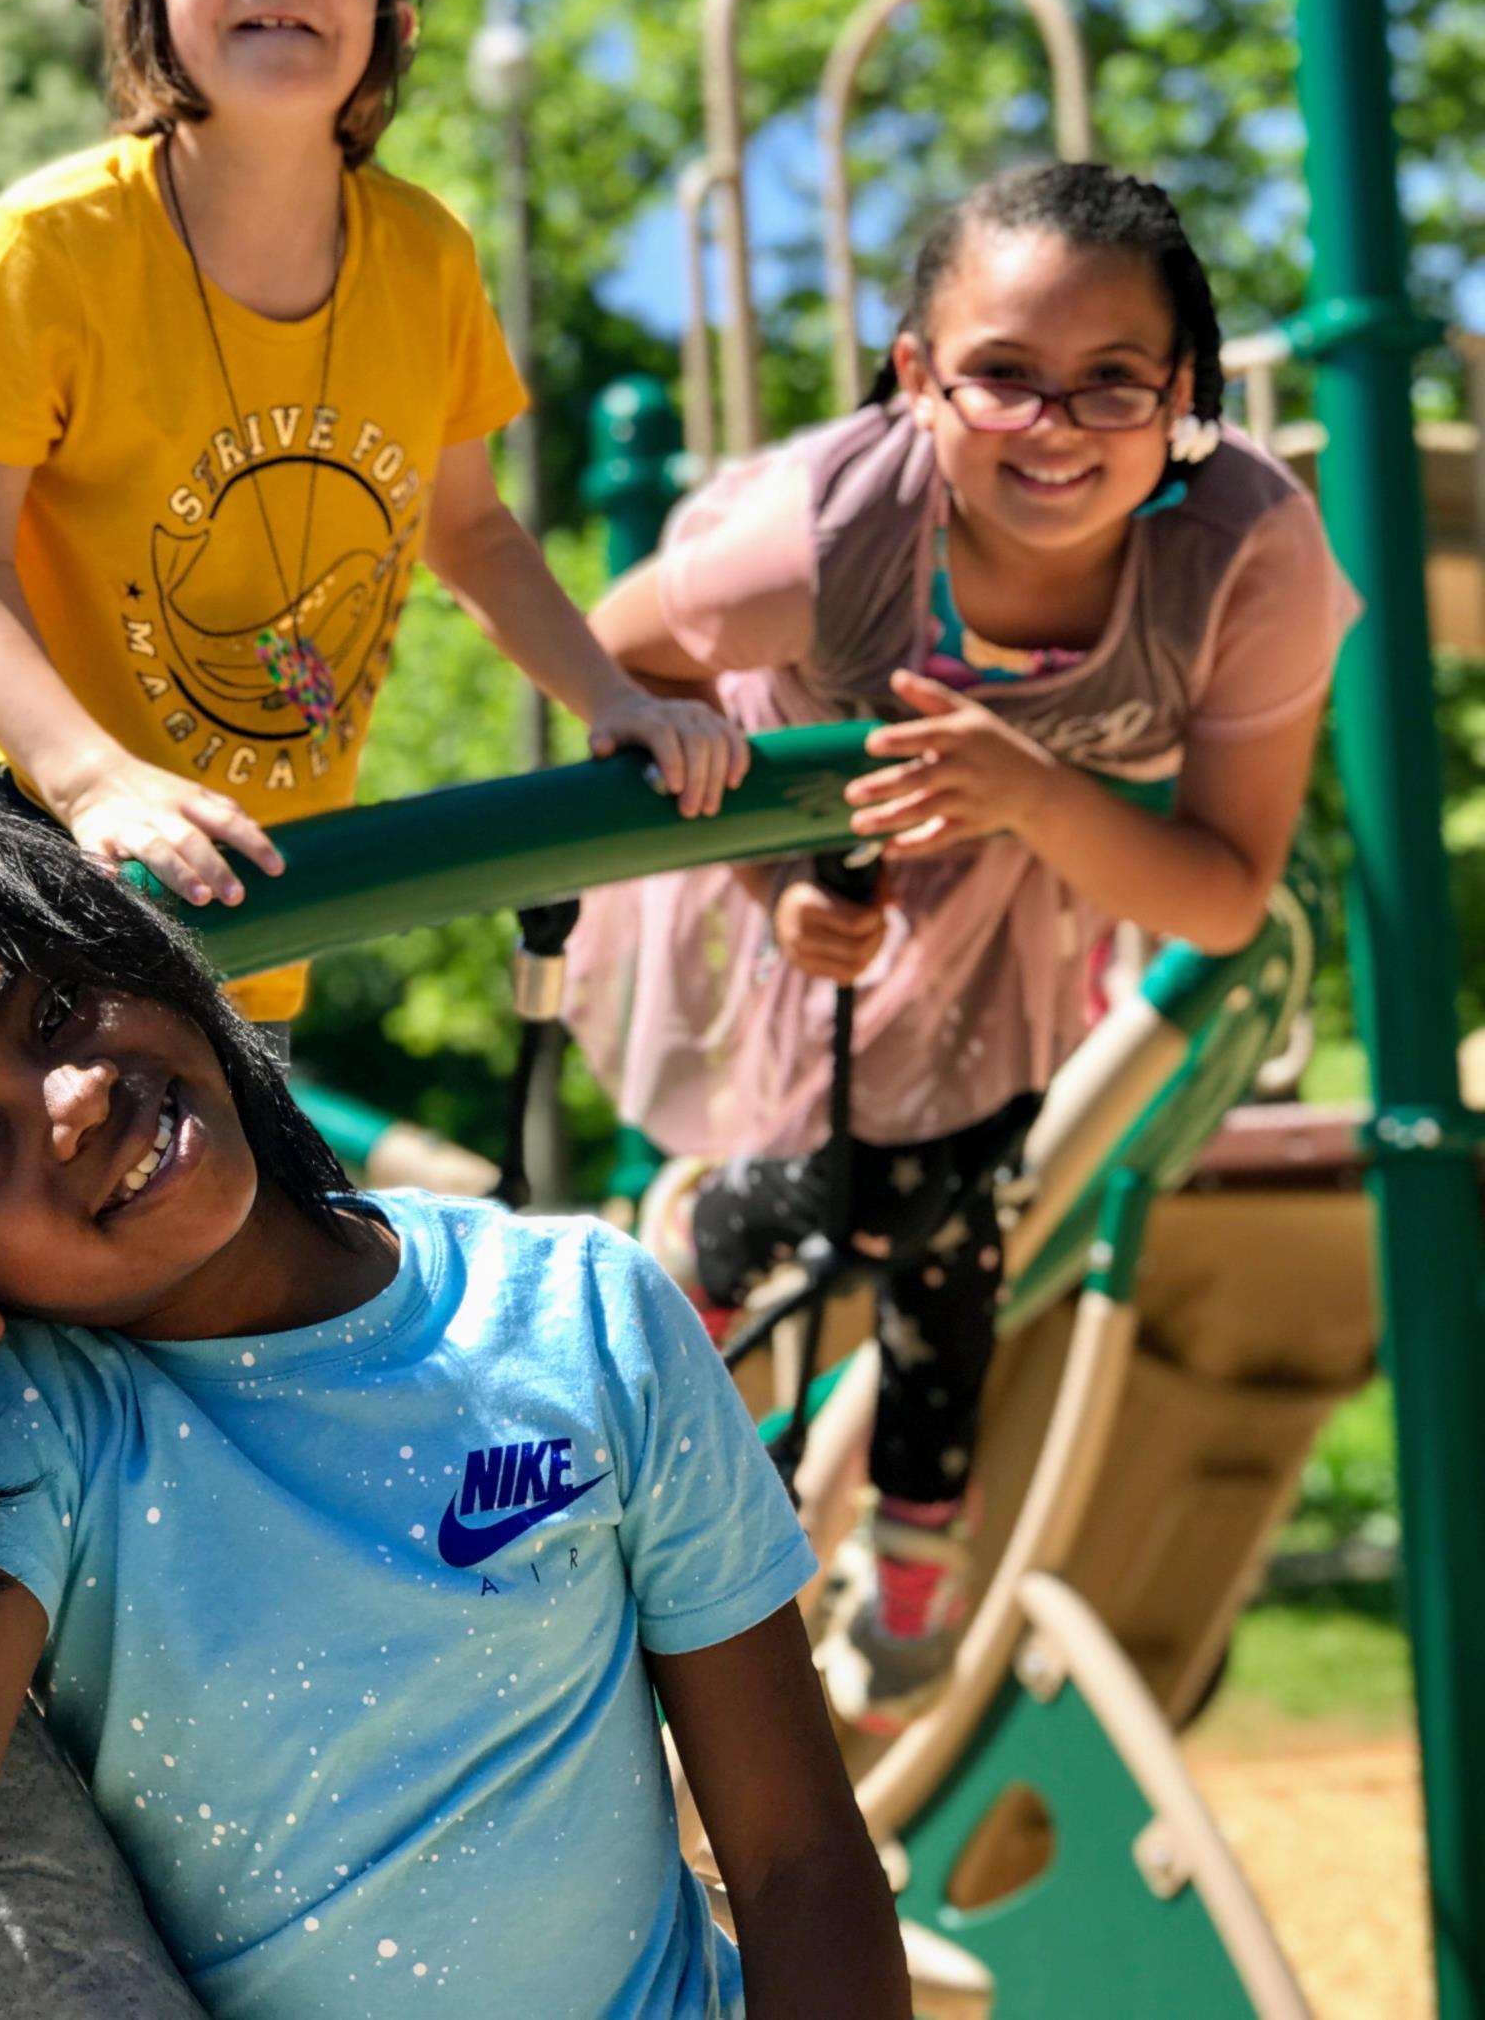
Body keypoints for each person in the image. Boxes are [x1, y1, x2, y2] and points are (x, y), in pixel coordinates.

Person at [0, 798, 909, 2020]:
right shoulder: (48, 1432)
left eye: (53, 1009)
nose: (76, 1095)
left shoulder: (580, 1310)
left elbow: (796, 1856)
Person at [565, 162, 1358, 1728]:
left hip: (1029, 881)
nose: (1054, 423)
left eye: (1112, 383)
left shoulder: (1246, 554)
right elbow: (614, 655)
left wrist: (1027, 786)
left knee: (959, 1207)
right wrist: (776, 873)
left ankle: (910, 1540)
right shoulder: (821, 534)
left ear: (1186, 393)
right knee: (848, 1189)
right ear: (919, 378)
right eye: (1001, 374)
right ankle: (669, 1330)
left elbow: (1217, 895)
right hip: (810, 873)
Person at [0, 0, 741, 1031]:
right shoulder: (53, 243)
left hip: (251, 855)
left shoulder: (426, 256)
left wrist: (611, 696)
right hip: (6, 795)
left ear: (389, 9)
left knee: (204, 1204)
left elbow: (476, 531)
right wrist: (96, 779)